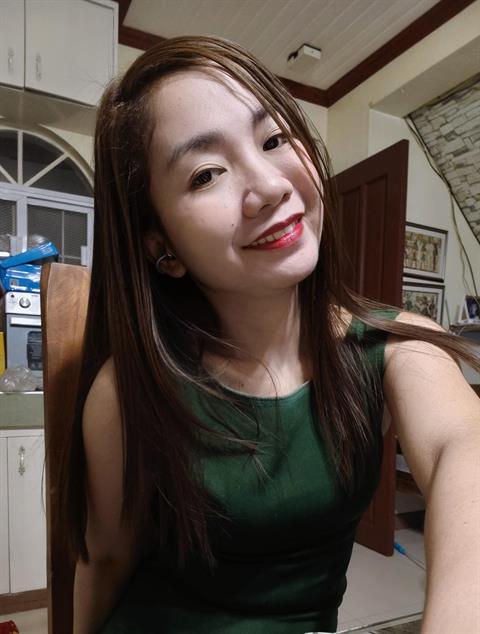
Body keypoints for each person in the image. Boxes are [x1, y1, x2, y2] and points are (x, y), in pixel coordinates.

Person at [63, 36, 480, 634]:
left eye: (274, 139)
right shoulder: (127, 390)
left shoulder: (395, 348)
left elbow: (463, 446)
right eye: (206, 174)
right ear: (161, 247)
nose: (271, 187)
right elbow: (105, 559)